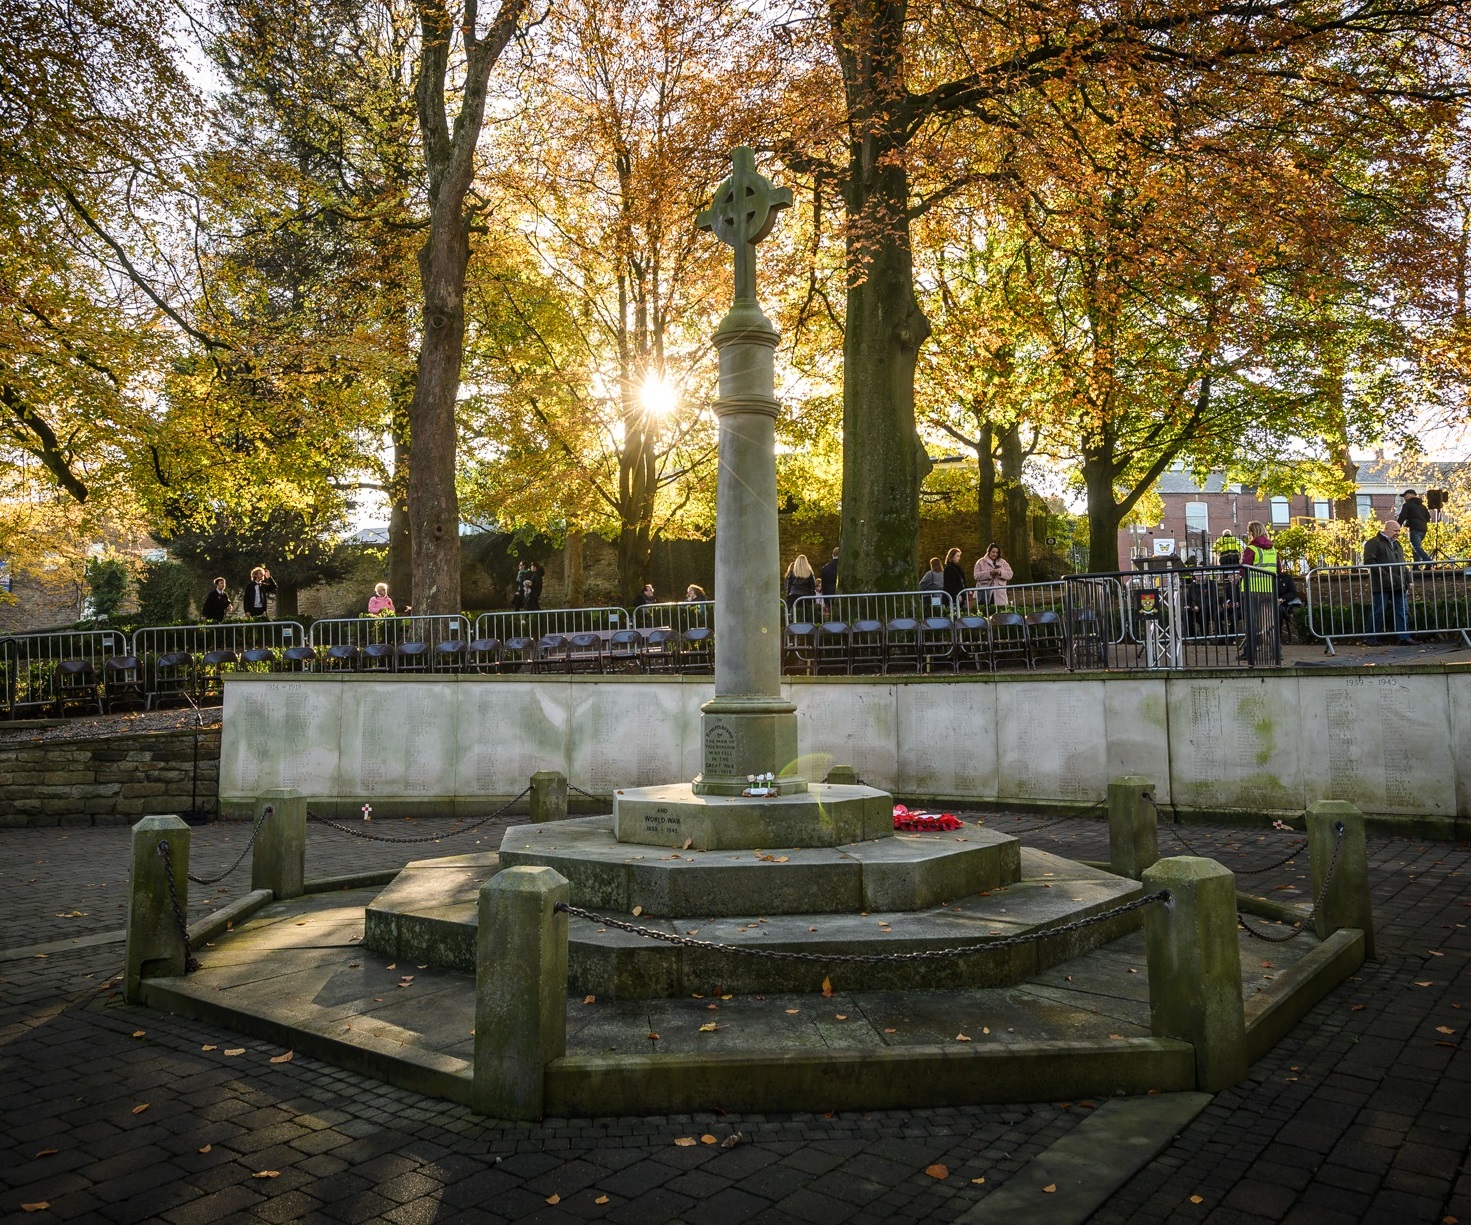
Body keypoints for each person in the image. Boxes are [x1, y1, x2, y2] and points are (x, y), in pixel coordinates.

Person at [1363, 520, 1413, 644]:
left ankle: (1404, 637)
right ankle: (1370, 638)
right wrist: (1385, 574)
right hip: (1382, 584)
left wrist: (1409, 579)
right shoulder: (1374, 542)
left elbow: (1403, 563)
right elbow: (1369, 561)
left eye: (1399, 531)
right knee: (1378, 611)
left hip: (1398, 582)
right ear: (1386, 529)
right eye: (1395, 530)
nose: (1398, 533)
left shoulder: (1397, 544)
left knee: (1402, 610)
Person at [973, 543, 1013, 608]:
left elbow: (1010, 574)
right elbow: (976, 575)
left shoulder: (1003, 562)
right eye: (993, 552)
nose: (995, 554)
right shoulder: (980, 562)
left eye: (997, 552)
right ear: (989, 551)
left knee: (999, 614)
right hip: (985, 593)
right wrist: (989, 573)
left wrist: (1000, 572)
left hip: (999, 594)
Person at [1398, 490, 1432, 563]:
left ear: (1410, 495)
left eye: (1405, 495)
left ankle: (1428, 560)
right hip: (1423, 529)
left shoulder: (1407, 505)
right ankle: (1416, 565)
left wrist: (1397, 526)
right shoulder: (1423, 506)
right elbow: (1428, 518)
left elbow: (1402, 516)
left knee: (1416, 546)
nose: (1404, 497)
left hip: (1414, 529)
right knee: (1416, 547)